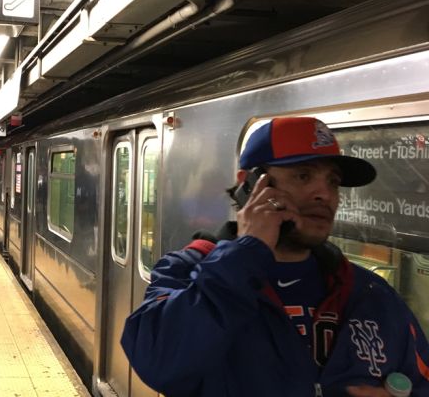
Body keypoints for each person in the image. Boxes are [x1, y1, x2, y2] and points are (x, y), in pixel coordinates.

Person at [121, 117, 429, 396]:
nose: (325, 194)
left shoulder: (369, 293)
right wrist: (247, 252)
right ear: (251, 185)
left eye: (333, 181)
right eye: (303, 176)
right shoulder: (186, 272)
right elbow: (158, 363)